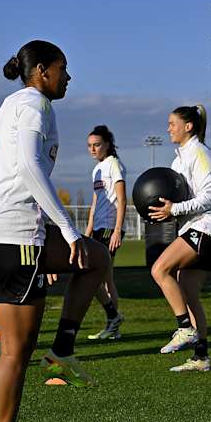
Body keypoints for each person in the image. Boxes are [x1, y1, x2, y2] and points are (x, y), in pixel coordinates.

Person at [0, 40, 111, 422]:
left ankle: (63, 349)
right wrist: (68, 230)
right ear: (43, 72)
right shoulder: (35, 105)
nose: (68, 78)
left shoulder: (13, 103)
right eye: (63, 69)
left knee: (97, 259)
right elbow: (31, 169)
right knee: (14, 353)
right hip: (15, 237)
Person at [150, 105, 211, 372]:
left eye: (172, 123)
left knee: (160, 269)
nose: (168, 128)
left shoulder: (200, 154)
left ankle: (184, 327)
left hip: (206, 227)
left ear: (188, 126)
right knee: (189, 291)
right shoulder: (178, 160)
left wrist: (175, 209)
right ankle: (201, 357)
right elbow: (180, 200)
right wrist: (166, 213)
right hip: (192, 227)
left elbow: (210, 196)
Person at [84, 125, 128, 340]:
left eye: (97, 145)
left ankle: (113, 321)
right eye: (90, 146)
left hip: (110, 228)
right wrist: (87, 232)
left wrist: (118, 230)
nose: (93, 149)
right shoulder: (97, 169)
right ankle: (113, 325)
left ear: (107, 144)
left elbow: (122, 199)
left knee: (97, 277)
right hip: (98, 229)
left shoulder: (114, 165)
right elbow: (95, 203)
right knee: (104, 278)